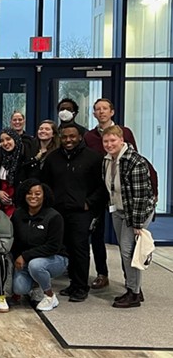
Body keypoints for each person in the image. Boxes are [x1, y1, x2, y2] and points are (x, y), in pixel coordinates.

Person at [41, 124, 106, 303]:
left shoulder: (93, 158)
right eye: (65, 137)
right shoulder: (53, 158)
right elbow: (45, 184)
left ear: (80, 137)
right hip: (58, 211)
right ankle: (73, 283)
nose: (68, 140)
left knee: (80, 249)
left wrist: (89, 203)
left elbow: (102, 186)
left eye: (72, 137)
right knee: (66, 248)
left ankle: (81, 286)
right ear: (60, 138)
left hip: (81, 212)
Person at [82, 97, 138, 290]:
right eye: (97, 109)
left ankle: (130, 280)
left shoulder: (124, 132)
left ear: (112, 112)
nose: (101, 112)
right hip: (99, 190)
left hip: (123, 194)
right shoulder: (89, 137)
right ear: (94, 113)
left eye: (105, 109)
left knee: (126, 243)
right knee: (96, 235)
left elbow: (138, 160)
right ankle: (102, 273)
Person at [102, 125, 155, 308]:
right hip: (118, 210)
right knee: (126, 252)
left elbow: (141, 195)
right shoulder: (108, 160)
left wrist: (137, 223)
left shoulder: (135, 161)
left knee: (128, 251)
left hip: (136, 212)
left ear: (121, 140)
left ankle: (134, 292)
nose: (109, 144)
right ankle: (133, 288)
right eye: (106, 141)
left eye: (113, 140)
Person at [11, 179, 68, 312]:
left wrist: (25, 256)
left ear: (44, 195)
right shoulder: (18, 214)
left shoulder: (54, 216)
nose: (33, 197)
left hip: (55, 258)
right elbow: (14, 241)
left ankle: (50, 296)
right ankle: (36, 284)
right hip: (26, 260)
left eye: (37, 193)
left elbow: (53, 246)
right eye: (29, 193)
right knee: (19, 288)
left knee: (36, 265)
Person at [0, 128, 30, 217]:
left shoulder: (25, 156)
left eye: (8, 139)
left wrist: (13, 198)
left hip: (19, 203)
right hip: (0, 203)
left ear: (15, 139)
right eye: (2, 140)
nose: (5, 143)